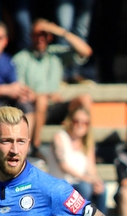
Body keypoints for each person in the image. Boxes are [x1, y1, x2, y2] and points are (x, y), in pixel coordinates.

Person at [11, 18, 94, 152]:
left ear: (49, 36)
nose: (40, 38)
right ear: (31, 36)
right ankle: (36, 146)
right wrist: (45, 95)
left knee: (85, 98)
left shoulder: (56, 54)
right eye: (37, 34)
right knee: (42, 100)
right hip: (33, 106)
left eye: (44, 34)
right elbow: (19, 88)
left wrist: (59, 31)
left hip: (55, 106)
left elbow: (86, 51)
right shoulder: (22, 58)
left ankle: (85, 145)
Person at [49, 105, 106, 215]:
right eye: (77, 121)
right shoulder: (60, 137)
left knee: (102, 189)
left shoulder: (87, 144)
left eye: (85, 122)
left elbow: (91, 169)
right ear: (70, 121)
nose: (80, 125)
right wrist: (87, 179)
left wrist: (96, 181)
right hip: (62, 184)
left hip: (80, 182)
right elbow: (63, 166)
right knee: (84, 188)